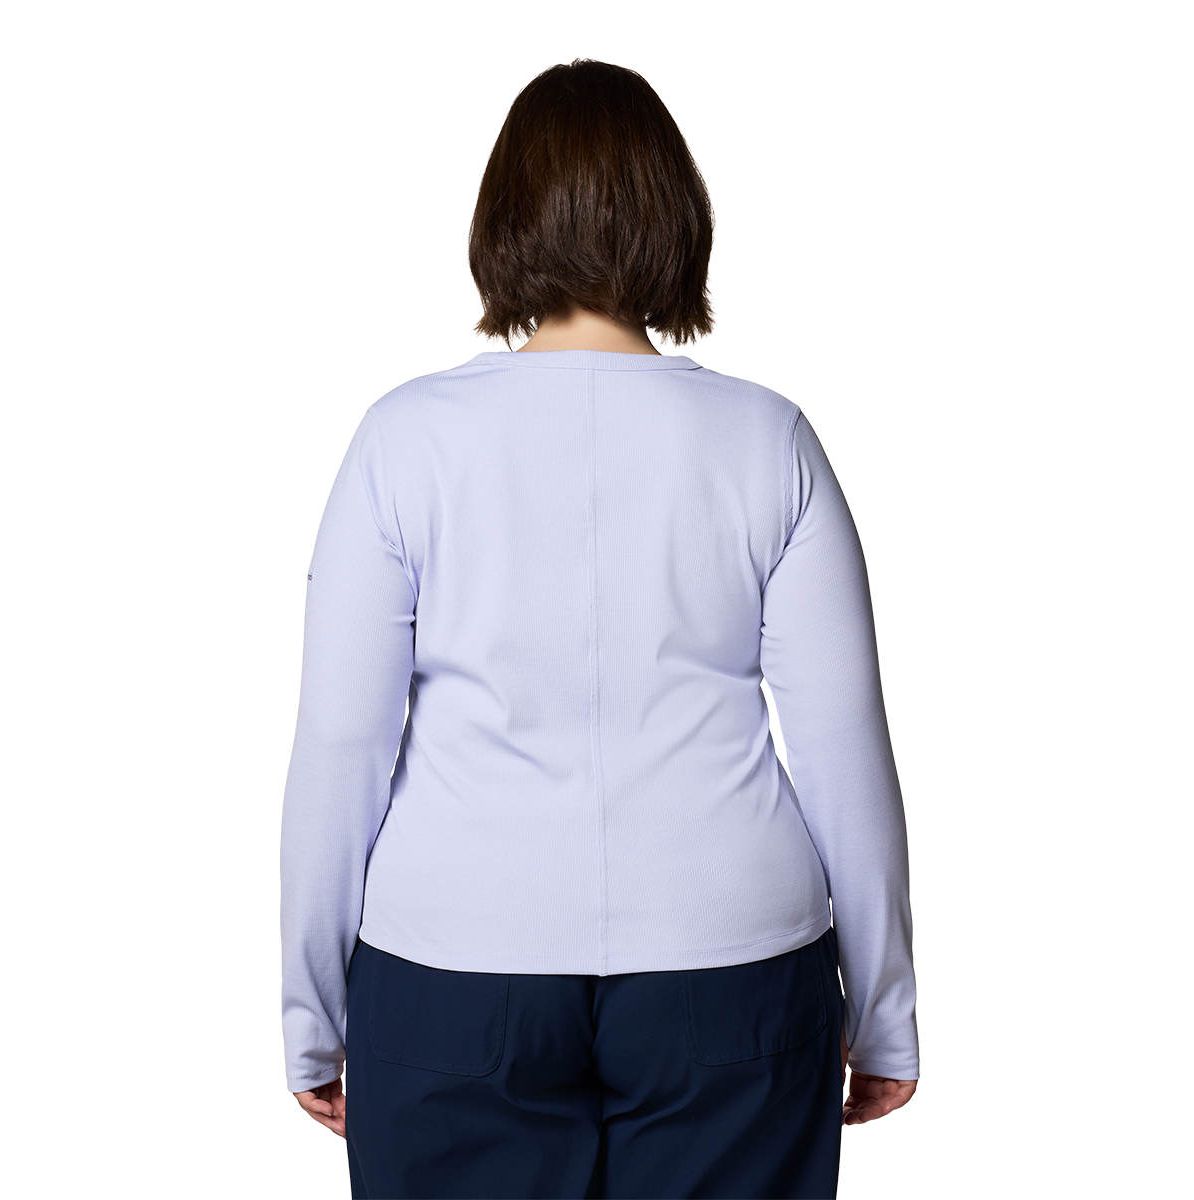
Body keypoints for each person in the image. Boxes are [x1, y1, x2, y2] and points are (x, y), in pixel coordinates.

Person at [280, 58, 919, 1200]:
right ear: (678, 216)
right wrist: (884, 1012)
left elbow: (342, 743)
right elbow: (843, 747)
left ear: (502, 219)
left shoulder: (404, 441)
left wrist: (311, 1014)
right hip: (732, 971)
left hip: (452, 974)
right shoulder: (768, 439)